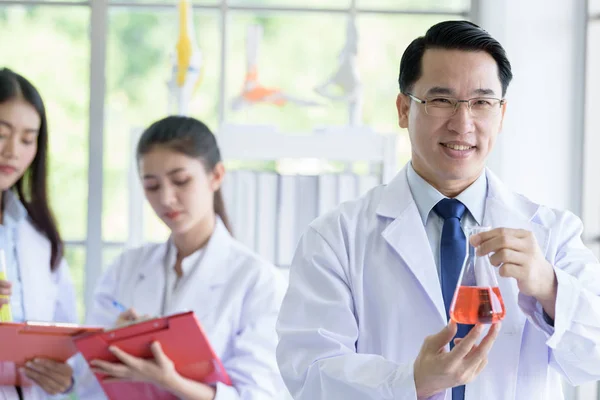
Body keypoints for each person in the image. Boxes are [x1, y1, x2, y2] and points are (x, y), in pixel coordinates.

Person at [276, 20, 600, 400]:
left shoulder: (551, 232)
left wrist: (548, 287)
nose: (463, 124)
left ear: (502, 113)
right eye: (441, 100)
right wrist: (412, 381)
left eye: (481, 102)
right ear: (402, 109)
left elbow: (591, 360)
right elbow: (310, 374)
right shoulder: (336, 237)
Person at [77, 116, 285, 399]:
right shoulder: (125, 268)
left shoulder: (257, 281)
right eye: (151, 186)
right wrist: (112, 338)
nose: (166, 199)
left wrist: (172, 382)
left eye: (181, 181)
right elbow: (85, 380)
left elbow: (259, 395)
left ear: (216, 176)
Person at [0, 68, 78, 399]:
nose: (13, 151)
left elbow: (67, 339)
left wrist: (66, 378)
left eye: (28, 139)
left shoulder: (39, 235)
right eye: (1, 133)